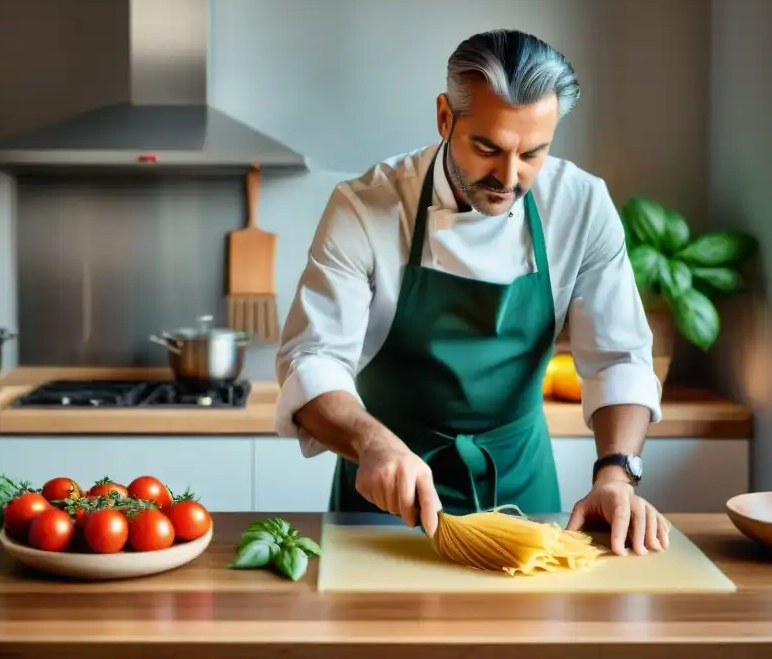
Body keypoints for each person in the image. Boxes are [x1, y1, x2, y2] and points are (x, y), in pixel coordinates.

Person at [273, 29, 670, 556]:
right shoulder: (365, 207)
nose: (509, 177)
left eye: (533, 153)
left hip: (525, 491)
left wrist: (617, 475)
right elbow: (312, 357)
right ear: (444, 118)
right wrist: (371, 443)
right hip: (388, 497)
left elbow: (619, 357)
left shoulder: (581, 206)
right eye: (488, 148)